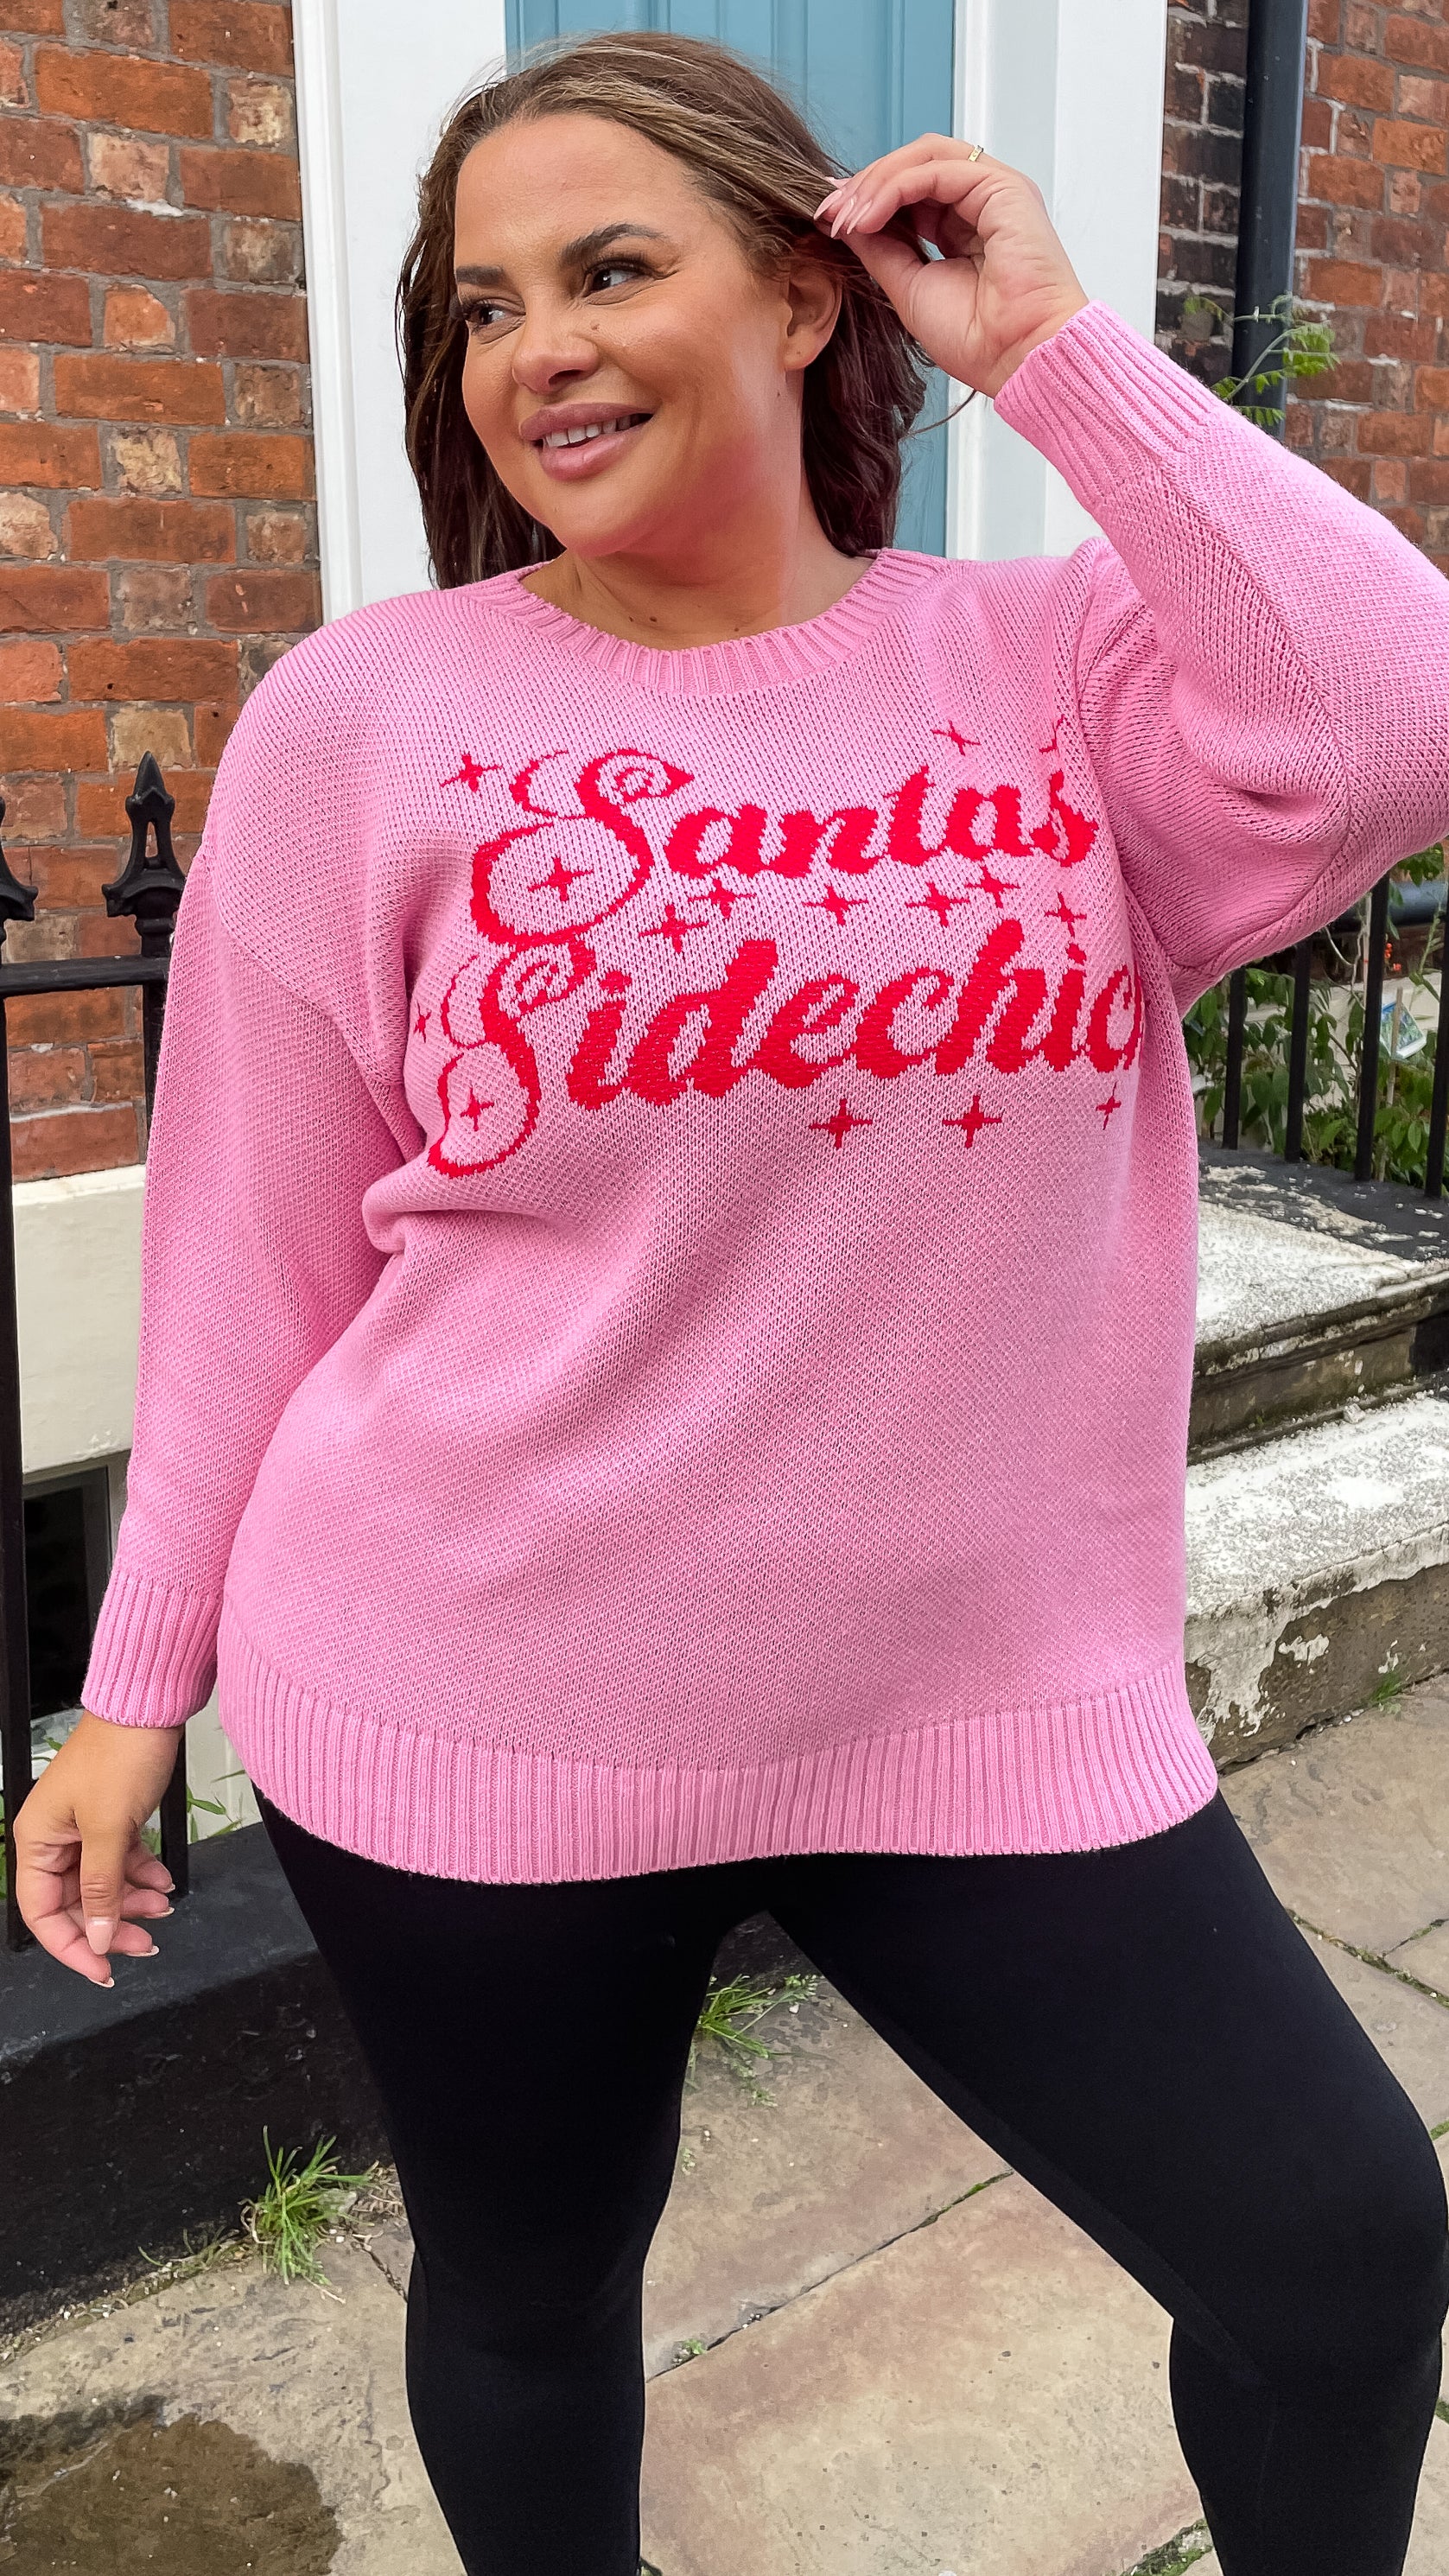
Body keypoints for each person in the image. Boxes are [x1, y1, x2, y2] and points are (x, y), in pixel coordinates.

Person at [14, 29, 1449, 2576]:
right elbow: (253, 1243)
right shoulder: (370, 720)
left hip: (981, 1706)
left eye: (609, 270)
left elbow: (1399, 721)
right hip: (477, 1691)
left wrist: (1054, 352)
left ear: (806, 295)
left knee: (1336, 2260)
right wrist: (133, 1692)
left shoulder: (1060, 667)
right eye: (484, 307)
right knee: (537, 2287)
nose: (538, 350)